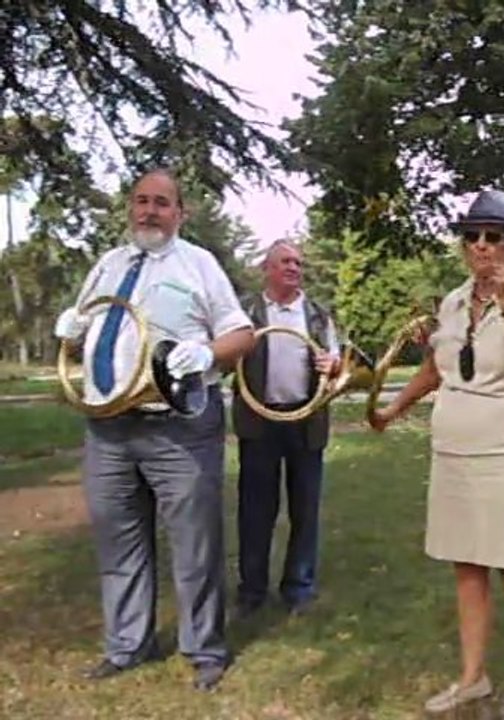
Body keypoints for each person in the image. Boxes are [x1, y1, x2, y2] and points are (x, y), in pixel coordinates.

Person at [53, 168, 255, 690]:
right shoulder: (108, 265)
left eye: (162, 203)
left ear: (180, 213)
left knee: (195, 545)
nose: (149, 211)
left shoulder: (198, 264)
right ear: (130, 207)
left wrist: (206, 352)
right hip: (107, 427)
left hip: (178, 428)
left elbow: (242, 334)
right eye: (141, 201)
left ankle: (204, 650)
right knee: (118, 542)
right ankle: (127, 646)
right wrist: (72, 332)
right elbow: (86, 331)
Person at [371, 190, 504, 720]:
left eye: (493, 236)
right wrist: (393, 408)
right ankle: (473, 677)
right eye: (472, 236)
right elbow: (437, 368)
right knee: (467, 567)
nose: (481, 245)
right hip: (454, 449)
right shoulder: (452, 302)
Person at [231, 240, 340, 617]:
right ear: (267, 268)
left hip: (306, 422)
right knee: (255, 512)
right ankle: (252, 591)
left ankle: (299, 588)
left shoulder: (318, 315)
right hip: (259, 423)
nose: (294, 268)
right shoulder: (245, 313)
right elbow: (226, 361)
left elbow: (337, 363)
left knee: (305, 510)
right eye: (285, 262)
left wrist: (333, 366)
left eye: (298, 263)